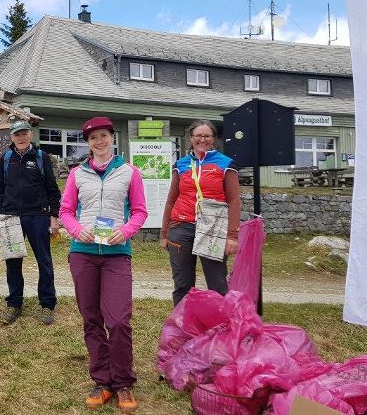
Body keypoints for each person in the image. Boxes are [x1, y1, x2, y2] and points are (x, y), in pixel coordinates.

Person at [58, 117, 147, 414]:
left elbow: (139, 212)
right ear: (88, 143)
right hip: (82, 252)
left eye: (104, 136)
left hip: (116, 254)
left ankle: (123, 383)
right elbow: (66, 210)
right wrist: (74, 229)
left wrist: (125, 231)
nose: (99, 141)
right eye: (93, 137)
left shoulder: (129, 172)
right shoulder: (77, 174)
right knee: (92, 319)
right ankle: (102, 380)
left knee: (119, 319)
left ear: (112, 138)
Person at [159, 119, 241, 305]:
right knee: (182, 284)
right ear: (191, 138)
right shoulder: (181, 164)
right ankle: (183, 328)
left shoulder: (226, 163)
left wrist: (232, 236)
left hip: (213, 227)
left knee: (217, 284)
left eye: (207, 136)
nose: (202, 139)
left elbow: (234, 201)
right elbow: (171, 200)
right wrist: (164, 234)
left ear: (214, 139)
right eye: (198, 135)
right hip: (181, 227)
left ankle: (221, 328)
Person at [0, 120, 61, 325]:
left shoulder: (42, 157)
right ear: (12, 137)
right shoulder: (5, 159)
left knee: (44, 260)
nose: (21, 137)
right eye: (17, 134)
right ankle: (14, 303)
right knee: (13, 261)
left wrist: (54, 216)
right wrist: (3, 212)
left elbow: (52, 189)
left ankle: (47, 304)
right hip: (12, 218)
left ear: (30, 134)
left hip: (38, 217)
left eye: (24, 133)